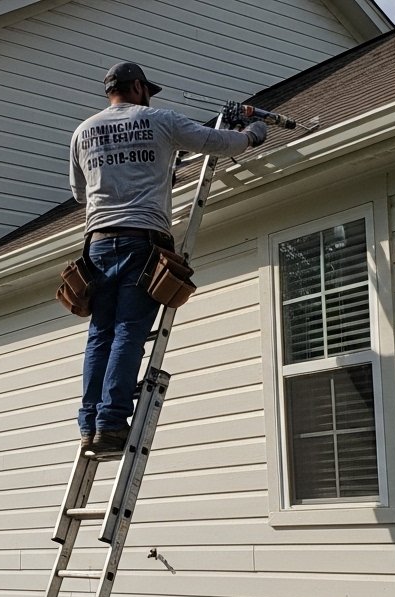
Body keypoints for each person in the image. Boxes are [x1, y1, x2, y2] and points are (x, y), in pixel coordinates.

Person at [70, 61, 267, 454]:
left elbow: (80, 194)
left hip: (97, 243)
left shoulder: (83, 132)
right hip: (142, 240)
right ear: (139, 87)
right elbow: (215, 142)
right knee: (128, 330)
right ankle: (110, 423)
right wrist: (252, 136)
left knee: (101, 335)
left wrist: (136, 169)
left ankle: (91, 424)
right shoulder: (160, 120)